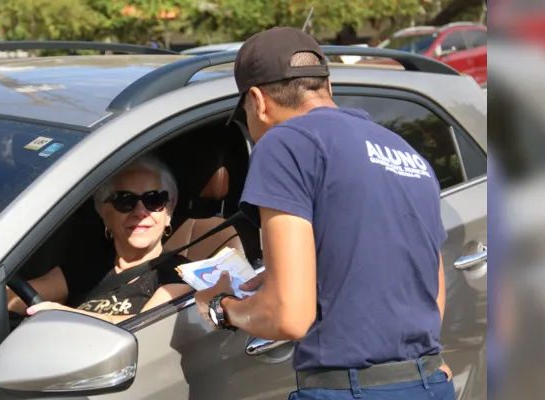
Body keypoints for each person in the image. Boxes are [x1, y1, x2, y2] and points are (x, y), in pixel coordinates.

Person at [194, 27, 455, 399]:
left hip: (351, 390)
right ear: (326, 87)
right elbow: (429, 288)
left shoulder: (284, 142)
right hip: (429, 382)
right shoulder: (403, 151)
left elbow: (289, 316)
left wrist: (222, 307)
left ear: (256, 100)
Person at [0, 154, 193, 324]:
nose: (140, 211)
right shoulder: (90, 264)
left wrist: (61, 315)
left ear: (169, 212)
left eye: (154, 199)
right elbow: (15, 296)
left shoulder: (180, 274)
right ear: (104, 213)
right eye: (125, 200)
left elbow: (141, 330)